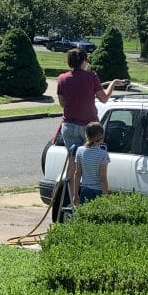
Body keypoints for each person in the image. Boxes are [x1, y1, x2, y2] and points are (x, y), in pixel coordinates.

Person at [55, 47, 124, 184]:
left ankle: (72, 197)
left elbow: (63, 104)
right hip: (89, 128)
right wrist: (113, 84)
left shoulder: (62, 78)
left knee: (73, 162)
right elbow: (104, 98)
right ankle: (90, 192)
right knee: (91, 162)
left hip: (69, 126)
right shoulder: (91, 76)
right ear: (84, 61)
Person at [73, 122, 109, 206]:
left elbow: (77, 174)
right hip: (98, 191)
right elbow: (103, 178)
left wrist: (75, 194)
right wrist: (106, 197)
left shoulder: (80, 151)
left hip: (85, 191)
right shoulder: (103, 154)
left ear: (86, 135)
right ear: (102, 137)